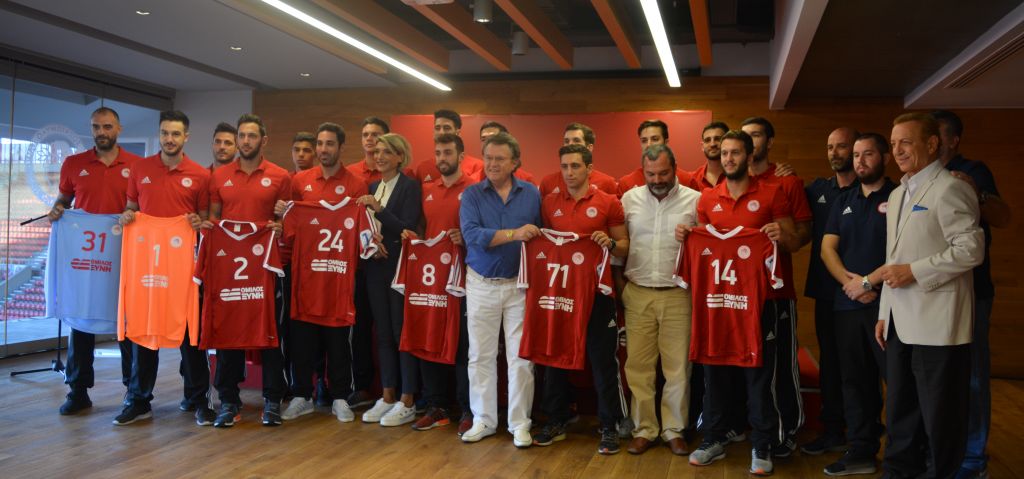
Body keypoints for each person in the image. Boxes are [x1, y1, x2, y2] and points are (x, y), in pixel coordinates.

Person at [876, 112, 983, 478]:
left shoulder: (951, 187)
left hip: (939, 325)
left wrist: (915, 271)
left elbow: (971, 249)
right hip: (899, 322)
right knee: (900, 412)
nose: (897, 151)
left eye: (905, 142)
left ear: (933, 144)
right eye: (893, 144)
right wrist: (884, 313)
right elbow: (893, 259)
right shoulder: (896, 194)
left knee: (940, 418)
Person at [686, 129, 800, 476]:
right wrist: (686, 236)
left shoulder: (772, 192)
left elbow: (793, 241)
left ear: (749, 157)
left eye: (735, 153)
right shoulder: (707, 199)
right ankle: (714, 436)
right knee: (714, 370)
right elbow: (702, 245)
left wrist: (782, 236)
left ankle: (763, 442)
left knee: (759, 373)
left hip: (762, 301)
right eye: (724, 153)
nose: (729, 159)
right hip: (718, 302)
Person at [530, 144, 629, 455]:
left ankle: (609, 425)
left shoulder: (608, 202)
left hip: (598, 294)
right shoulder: (549, 203)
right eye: (564, 166)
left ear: (589, 168)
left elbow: (624, 246)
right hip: (560, 292)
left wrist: (609, 243)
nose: (569, 172)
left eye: (575, 166)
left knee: (602, 361)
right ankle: (556, 419)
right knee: (554, 357)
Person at [114, 110, 210, 425]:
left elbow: (205, 219)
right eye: (165, 133)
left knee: (190, 333)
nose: (169, 139)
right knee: (145, 330)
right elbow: (132, 207)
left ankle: (198, 399)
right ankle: (139, 400)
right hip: (148, 265)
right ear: (159, 134)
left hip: (183, 266)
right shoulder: (139, 169)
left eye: (175, 134)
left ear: (186, 137)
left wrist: (196, 222)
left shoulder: (199, 175)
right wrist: (128, 216)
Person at [931, 110, 1011, 479]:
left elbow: (1002, 216)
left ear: (953, 140)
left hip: (971, 291)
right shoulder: (919, 178)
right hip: (930, 294)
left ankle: (973, 460)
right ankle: (939, 452)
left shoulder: (971, 170)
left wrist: (975, 192)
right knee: (936, 378)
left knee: (973, 376)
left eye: (937, 135)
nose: (931, 142)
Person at [49, 106, 140, 416]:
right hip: (86, 257)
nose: (101, 132)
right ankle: (78, 391)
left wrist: (133, 215)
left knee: (125, 322)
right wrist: (57, 210)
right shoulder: (74, 164)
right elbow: (63, 201)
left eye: (107, 126)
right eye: (96, 127)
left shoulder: (137, 166)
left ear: (119, 129)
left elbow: (143, 206)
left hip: (124, 253)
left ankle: (133, 391)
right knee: (81, 319)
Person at [279, 122, 369, 424]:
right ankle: (301, 395)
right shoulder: (300, 181)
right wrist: (282, 215)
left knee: (339, 338)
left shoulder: (356, 184)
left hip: (340, 277)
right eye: (319, 143)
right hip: (306, 275)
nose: (323, 149)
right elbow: (289, 227)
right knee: (302, 338)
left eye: (329, 144)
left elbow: (362, 230)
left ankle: (340, 396)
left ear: (341, 147)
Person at [205, 114, 291, 427]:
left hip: (265, 267)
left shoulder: (281, 176)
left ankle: (272, 400)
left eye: (251, 136)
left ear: (263, 140)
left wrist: (280, 225)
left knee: (270, 333)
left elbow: (287, 221)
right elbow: (214, 220)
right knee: (228, 332)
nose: (245, 141)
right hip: (229, 268)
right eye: (241, 135)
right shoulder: (220, 176)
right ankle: (228, 401)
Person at [818, 132, 894, 475]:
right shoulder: (843, 200)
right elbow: (827, 249)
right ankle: (861, 451)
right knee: (855, 382)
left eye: (868, 154)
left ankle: (907, 453)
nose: (860, 161)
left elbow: (905, 251)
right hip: (848, 305)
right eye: (857, 155)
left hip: (888, 305)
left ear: (885, 158)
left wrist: (868, 282)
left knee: (896, 380)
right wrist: (851, 285)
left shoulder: (898, 196)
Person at [459, 132, 541, 447]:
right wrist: (513, 234)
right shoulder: (471, 195)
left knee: (521, 358)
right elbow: (473, 235)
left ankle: (520, 424)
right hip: (481, 283)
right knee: (480, 355)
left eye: (499, 159)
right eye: (488, 158)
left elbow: (541, 234)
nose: (492, 164)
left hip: (519, 285)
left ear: (515, 162)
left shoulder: (531, 194)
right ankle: (483, 420)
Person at [620, 144, 700, 456]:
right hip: (638, 293)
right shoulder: (629, 200)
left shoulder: (695, 201)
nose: (657, 180)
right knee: (638, 367)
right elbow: (621, 247)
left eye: (663, 173)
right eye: (651, 174)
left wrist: (693, 235)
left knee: (677, 368)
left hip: (678, 294)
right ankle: (644, 429)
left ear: (675, 169)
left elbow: (706, 248)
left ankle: (673, 430)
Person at [741, 116, 812, 456]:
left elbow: (802, 235)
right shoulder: (730, 183)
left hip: (775, 294)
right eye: (745, 136)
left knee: (781, 363)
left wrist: (784, 237)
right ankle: (751, 426)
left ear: (769, 142)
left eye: (756, 135)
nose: (750, 142)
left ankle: (788, 429)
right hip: (737, 295)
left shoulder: (787, 182)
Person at [402, 133, 476, 435]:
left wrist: (465, 238)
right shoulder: (427, 189)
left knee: (463, 344)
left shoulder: (474, 188)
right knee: (428, 337)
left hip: (465, 278)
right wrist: (412, 237)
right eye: (438, 153)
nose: (442, 158)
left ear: (461, 156)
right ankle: (437, 407)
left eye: (448, 152)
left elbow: (483, 230)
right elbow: (421, 227)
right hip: (430, 279)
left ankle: (468, 409)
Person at [357, 133, 424, 427]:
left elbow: (408, 227)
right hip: (375, 265)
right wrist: (372, 243)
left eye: (387, 152)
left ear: (400, 157)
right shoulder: (373, 186)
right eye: (377, 151)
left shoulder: (410, 187)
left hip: (399, 267)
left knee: (400, 332)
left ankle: (408, 398)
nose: (380, 156)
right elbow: (365, 227)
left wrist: (379, 209)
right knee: (382, 333)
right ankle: (387, 395)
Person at [801, 126, 859, 455]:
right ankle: (833, 430)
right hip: (826, 293)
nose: (834, 153)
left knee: (860, 366)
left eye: (842, 147)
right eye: (830, 147)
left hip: (864, 295)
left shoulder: (874, 192)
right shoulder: (818, 190)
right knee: (831, 365)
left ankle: (864, 433)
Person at [345, 115, 389, 410]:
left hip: (389, 264)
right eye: (365, 134)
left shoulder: (399, 175)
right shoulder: (351, 174)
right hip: (358, 266)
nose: (370, 139)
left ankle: (392, 389)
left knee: (389, 331)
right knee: (359, 330)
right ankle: (361, 387)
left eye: (375, 135)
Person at [538, 123, 618, 196]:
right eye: (566, 141)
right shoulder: (548, 182)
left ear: (589, 148)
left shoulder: (607, 183)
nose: (570, 145)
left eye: (576, 141)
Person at [617, 120, 692, 196]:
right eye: (644, 141)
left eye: (655, 139)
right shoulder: (626, 183)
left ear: (666, 142)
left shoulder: (687, 180)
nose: (649, 144)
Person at [407, 109, 484, 183]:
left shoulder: (477, 167)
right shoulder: (423, 168)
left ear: (458, 133)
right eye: (437, 128)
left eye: (447, 128)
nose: (441, 132)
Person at [690, 121, 729, 191]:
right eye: (707, 140)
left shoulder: (739, 177)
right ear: (702, 146)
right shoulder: (693, 179)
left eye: (718, 139)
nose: (712, 144)